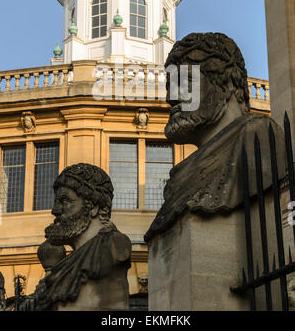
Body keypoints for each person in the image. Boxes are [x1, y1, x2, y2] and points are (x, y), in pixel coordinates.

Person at [145, 32, 286, 241]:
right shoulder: (178, 179)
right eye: (170, 86)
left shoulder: (257, 138)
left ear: (227, 84)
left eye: (185, 82)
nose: (170, 97)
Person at [33, 163, 131, 311]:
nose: (55, 210)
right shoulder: (68, 262)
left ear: (93, 207)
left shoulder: (114, 246)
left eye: (64, 201)